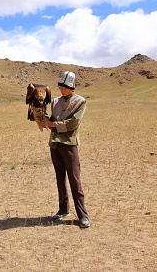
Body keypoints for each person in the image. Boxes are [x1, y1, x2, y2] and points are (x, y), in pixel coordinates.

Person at [41, 71, 90, 228]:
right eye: (61, 86)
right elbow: (53, 120)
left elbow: (73, 123)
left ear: (72, 87)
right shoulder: (55, 101)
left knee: (75, 180)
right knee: (60, 178)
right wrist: (41, 118)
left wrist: (53, 125)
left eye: (65, 87)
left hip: (69, 144)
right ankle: (63, 210)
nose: (62, 89)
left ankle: (82, 215)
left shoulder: (80, 102)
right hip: (54, 144)